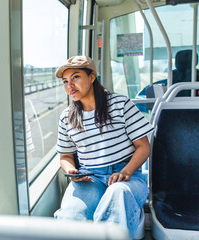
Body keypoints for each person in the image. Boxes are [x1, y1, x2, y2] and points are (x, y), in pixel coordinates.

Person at [53, 56, 153, 238]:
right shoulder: (67, 117)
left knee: (118, 195)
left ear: (92, 77)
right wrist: (72, 171)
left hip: (127, 176)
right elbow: (65, 156)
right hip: (89, 178)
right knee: (70, 216)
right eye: (65, 82)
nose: (70, 85)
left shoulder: (120, 104)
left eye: (76, 77)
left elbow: (143, 146)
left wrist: (127, 171)